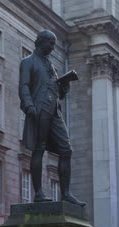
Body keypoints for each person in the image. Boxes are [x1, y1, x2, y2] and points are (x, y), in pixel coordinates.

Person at [19, 29, 85, 206]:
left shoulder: (52, 67)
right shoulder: (28, 62)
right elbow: (24, 86)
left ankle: (66, 194)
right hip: (39, 110)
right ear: (41, 42)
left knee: (66, 150)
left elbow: (58, 93)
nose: (53, 48)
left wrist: (64, 86)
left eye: (54, 44)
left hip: (54, 111)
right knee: (38, 149)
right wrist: (28, 105)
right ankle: (39, 193)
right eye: (50, 44)